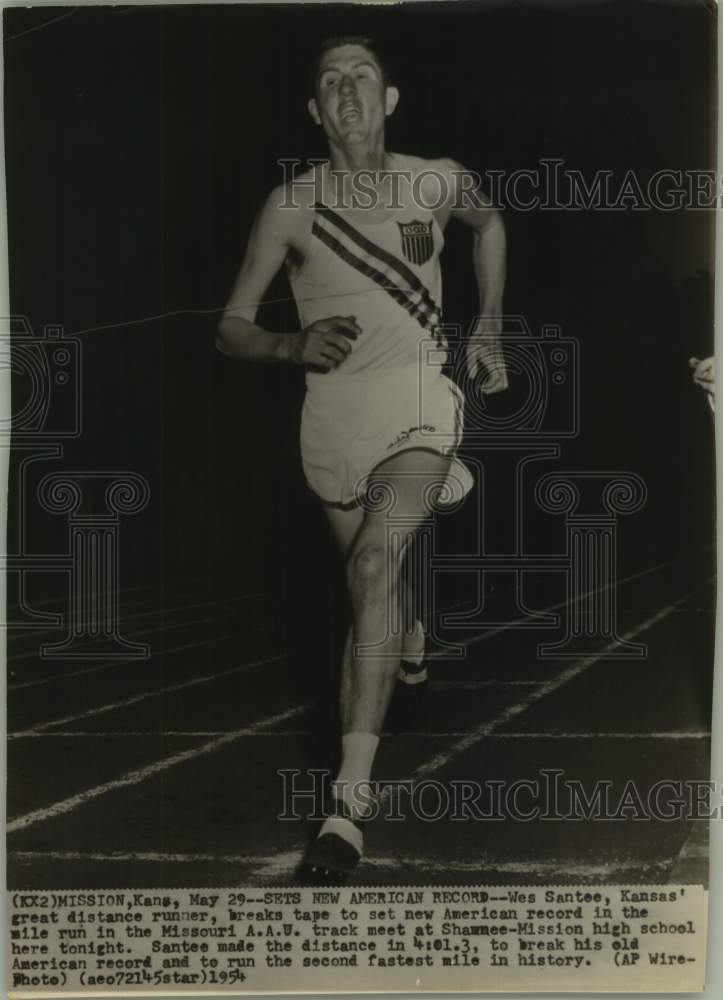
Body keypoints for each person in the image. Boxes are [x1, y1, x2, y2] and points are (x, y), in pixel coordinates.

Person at [216, 35, 507, 880]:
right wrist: (286, 344)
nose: (347, 91)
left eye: (362, 77)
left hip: (419, 401)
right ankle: (410, 633)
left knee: (376, 562)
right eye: (330, 81)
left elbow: (490, 222)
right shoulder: (291, 206)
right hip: (333, 420)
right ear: (316, 111)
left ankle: (346, 810)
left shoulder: (435, 180)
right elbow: (229, 326)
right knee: (374, 581)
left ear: (388, 100)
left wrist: (489, 321)